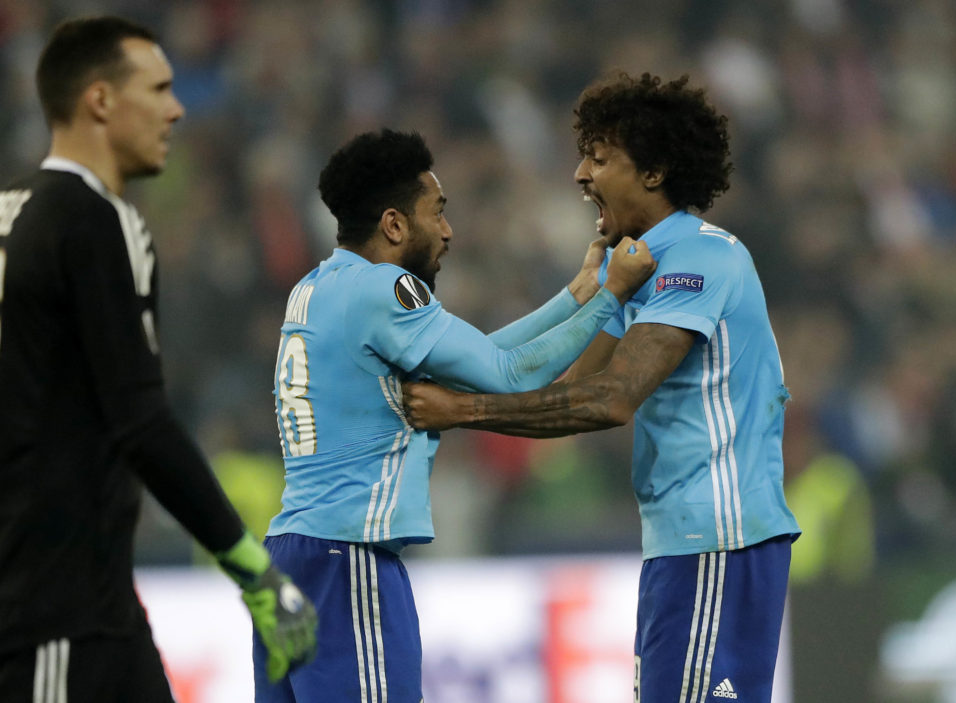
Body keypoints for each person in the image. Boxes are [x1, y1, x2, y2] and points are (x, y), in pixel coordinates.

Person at [402, 72, 802, 703]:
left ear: (654, 171)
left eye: (599, 157)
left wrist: (461, 410)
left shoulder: (701, 258)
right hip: (684, 544)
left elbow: (610, 399)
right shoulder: (637, 266)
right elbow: (570, 386)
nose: (580, 174)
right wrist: (587, 293)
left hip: (720, 540)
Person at [259, 127, 654, 702]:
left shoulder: (318, 288)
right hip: (348, 560)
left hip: (290, 558)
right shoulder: (384, 289)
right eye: (438, 211)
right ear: (395, 225)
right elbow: (511, 374)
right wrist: (612, 296)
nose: (448, 230)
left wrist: (578, 294)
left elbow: (481, 358)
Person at [0, 16, 316, 701]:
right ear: (100, 100)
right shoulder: (96, 219)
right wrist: (252, 567)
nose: (176, 109)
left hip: (94, 604)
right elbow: (139, 420)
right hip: (53, 609)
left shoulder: (10, 213)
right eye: (158, 89)